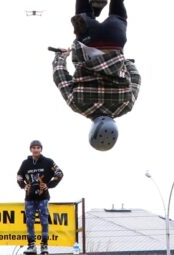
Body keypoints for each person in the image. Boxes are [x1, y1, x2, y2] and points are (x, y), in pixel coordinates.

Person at [52, 0, 141, 151]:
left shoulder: (126, 105)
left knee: (118, 14)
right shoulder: (78, 105)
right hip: (88, 40)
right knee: (83, 13)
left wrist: (127, 63)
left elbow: (136, 78)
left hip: (114, 41)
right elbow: (59, 76)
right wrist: (61, 55)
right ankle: (91, 10)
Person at [16, 140, 64, 255]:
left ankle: (44, 245)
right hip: (29, 198)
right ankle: (31, 245)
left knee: (44, 220)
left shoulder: (48, 162)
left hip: (43, 197)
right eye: (33, 147)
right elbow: (19, 176)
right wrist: (23, 186)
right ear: (30, 149)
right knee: (29, 221)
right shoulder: (25, 163)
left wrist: (49, 185)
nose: (36, 149)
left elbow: (59, 173)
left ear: (41, 149)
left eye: (38, 147)